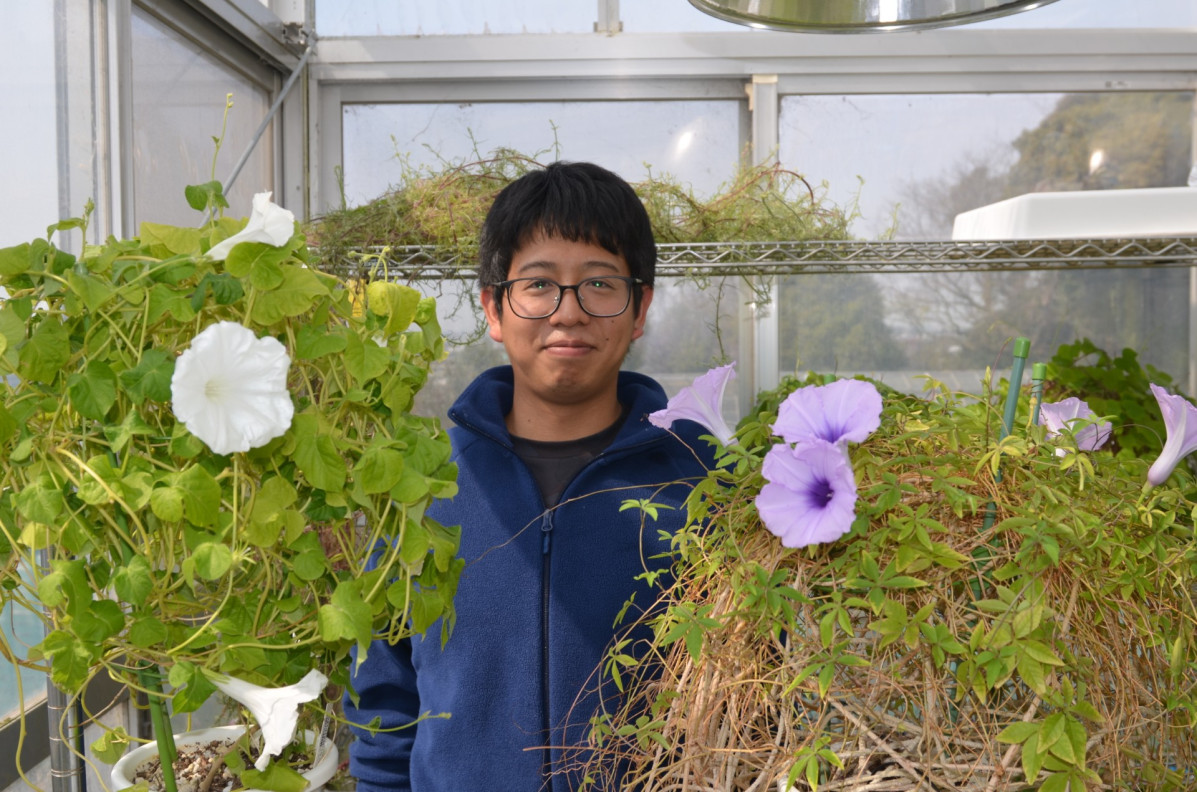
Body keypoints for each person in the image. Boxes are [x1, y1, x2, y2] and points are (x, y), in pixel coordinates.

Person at [344, 161, 716, 791]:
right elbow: (385, 701)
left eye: (601, 284)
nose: (567, 313)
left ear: (640, 307)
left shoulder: (702, 483)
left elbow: (753, 695)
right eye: (538, 285)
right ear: (493, 307)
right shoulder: (421, 484)